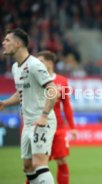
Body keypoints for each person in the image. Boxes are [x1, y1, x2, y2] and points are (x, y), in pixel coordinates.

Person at [0, 28, 59, 183]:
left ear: (18, 44)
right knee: (28, 167)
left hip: (41, 121)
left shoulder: (35, 65)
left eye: (7, 40)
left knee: (39, 163)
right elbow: (21, 93)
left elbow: (53, 90)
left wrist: (44, 116)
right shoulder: (15, 68)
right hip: (27, 123)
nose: (3, 43)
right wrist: (5, 103)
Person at [37, 50, 77, 184]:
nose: (38, 64)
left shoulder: (62, 80)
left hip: (59, 128)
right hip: (41, 127)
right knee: (38, 163)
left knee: (61, 159)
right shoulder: (36, 79)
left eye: (41, 61)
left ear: (49, 62)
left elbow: (66, 105)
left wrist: (72, 127)